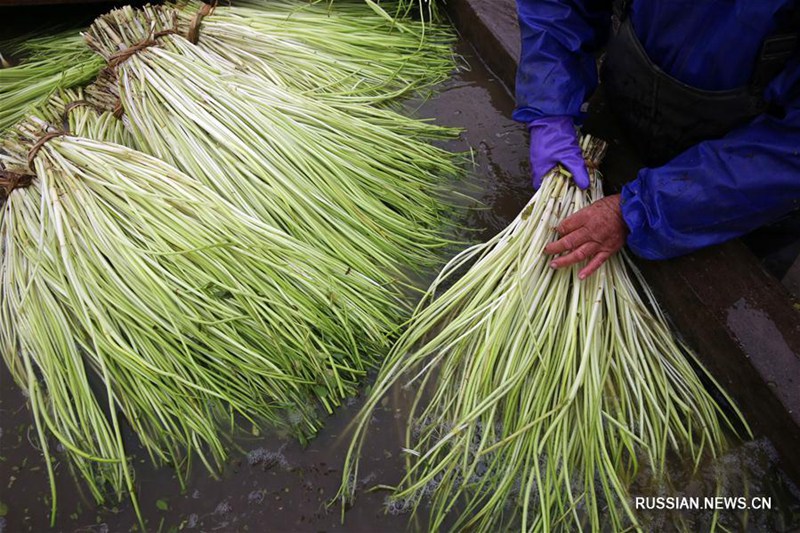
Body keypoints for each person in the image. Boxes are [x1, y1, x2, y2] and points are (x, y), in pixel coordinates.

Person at [514, 0, 800, 279]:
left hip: (738, 191)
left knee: (722, 296)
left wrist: (649, 208)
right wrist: (549, 106)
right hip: (627, 103)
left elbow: (789, 152)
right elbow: (559, 6)